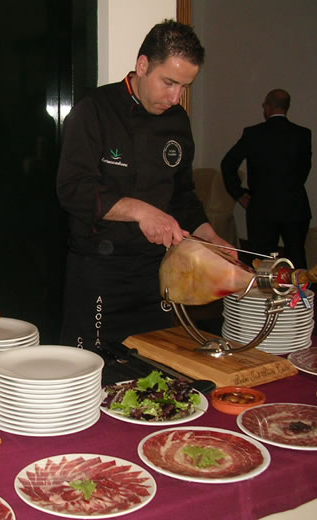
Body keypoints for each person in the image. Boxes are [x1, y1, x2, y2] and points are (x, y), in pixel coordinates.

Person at [56, 20, 233, 357]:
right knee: (92, 370)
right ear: (142, 65)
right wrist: (140, 210)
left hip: (158, 272)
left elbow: (182, 194)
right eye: (168, 82)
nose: (174, 97)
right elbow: (72, 189)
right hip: (98, 272)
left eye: (184, 86)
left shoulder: (178, 121)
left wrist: (210, 236)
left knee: (159, 368)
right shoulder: (93, 111)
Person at [221, 89, 312, 268]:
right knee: (297, 257)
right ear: (287, 108)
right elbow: (304, 169)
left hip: (262, 205)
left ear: (268, 107)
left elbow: (228, 163)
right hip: (295, 204)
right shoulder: (302, 134)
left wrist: (239, 193)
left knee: (260, 260)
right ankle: (300, 294)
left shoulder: (253, 133)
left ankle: (262, 295)